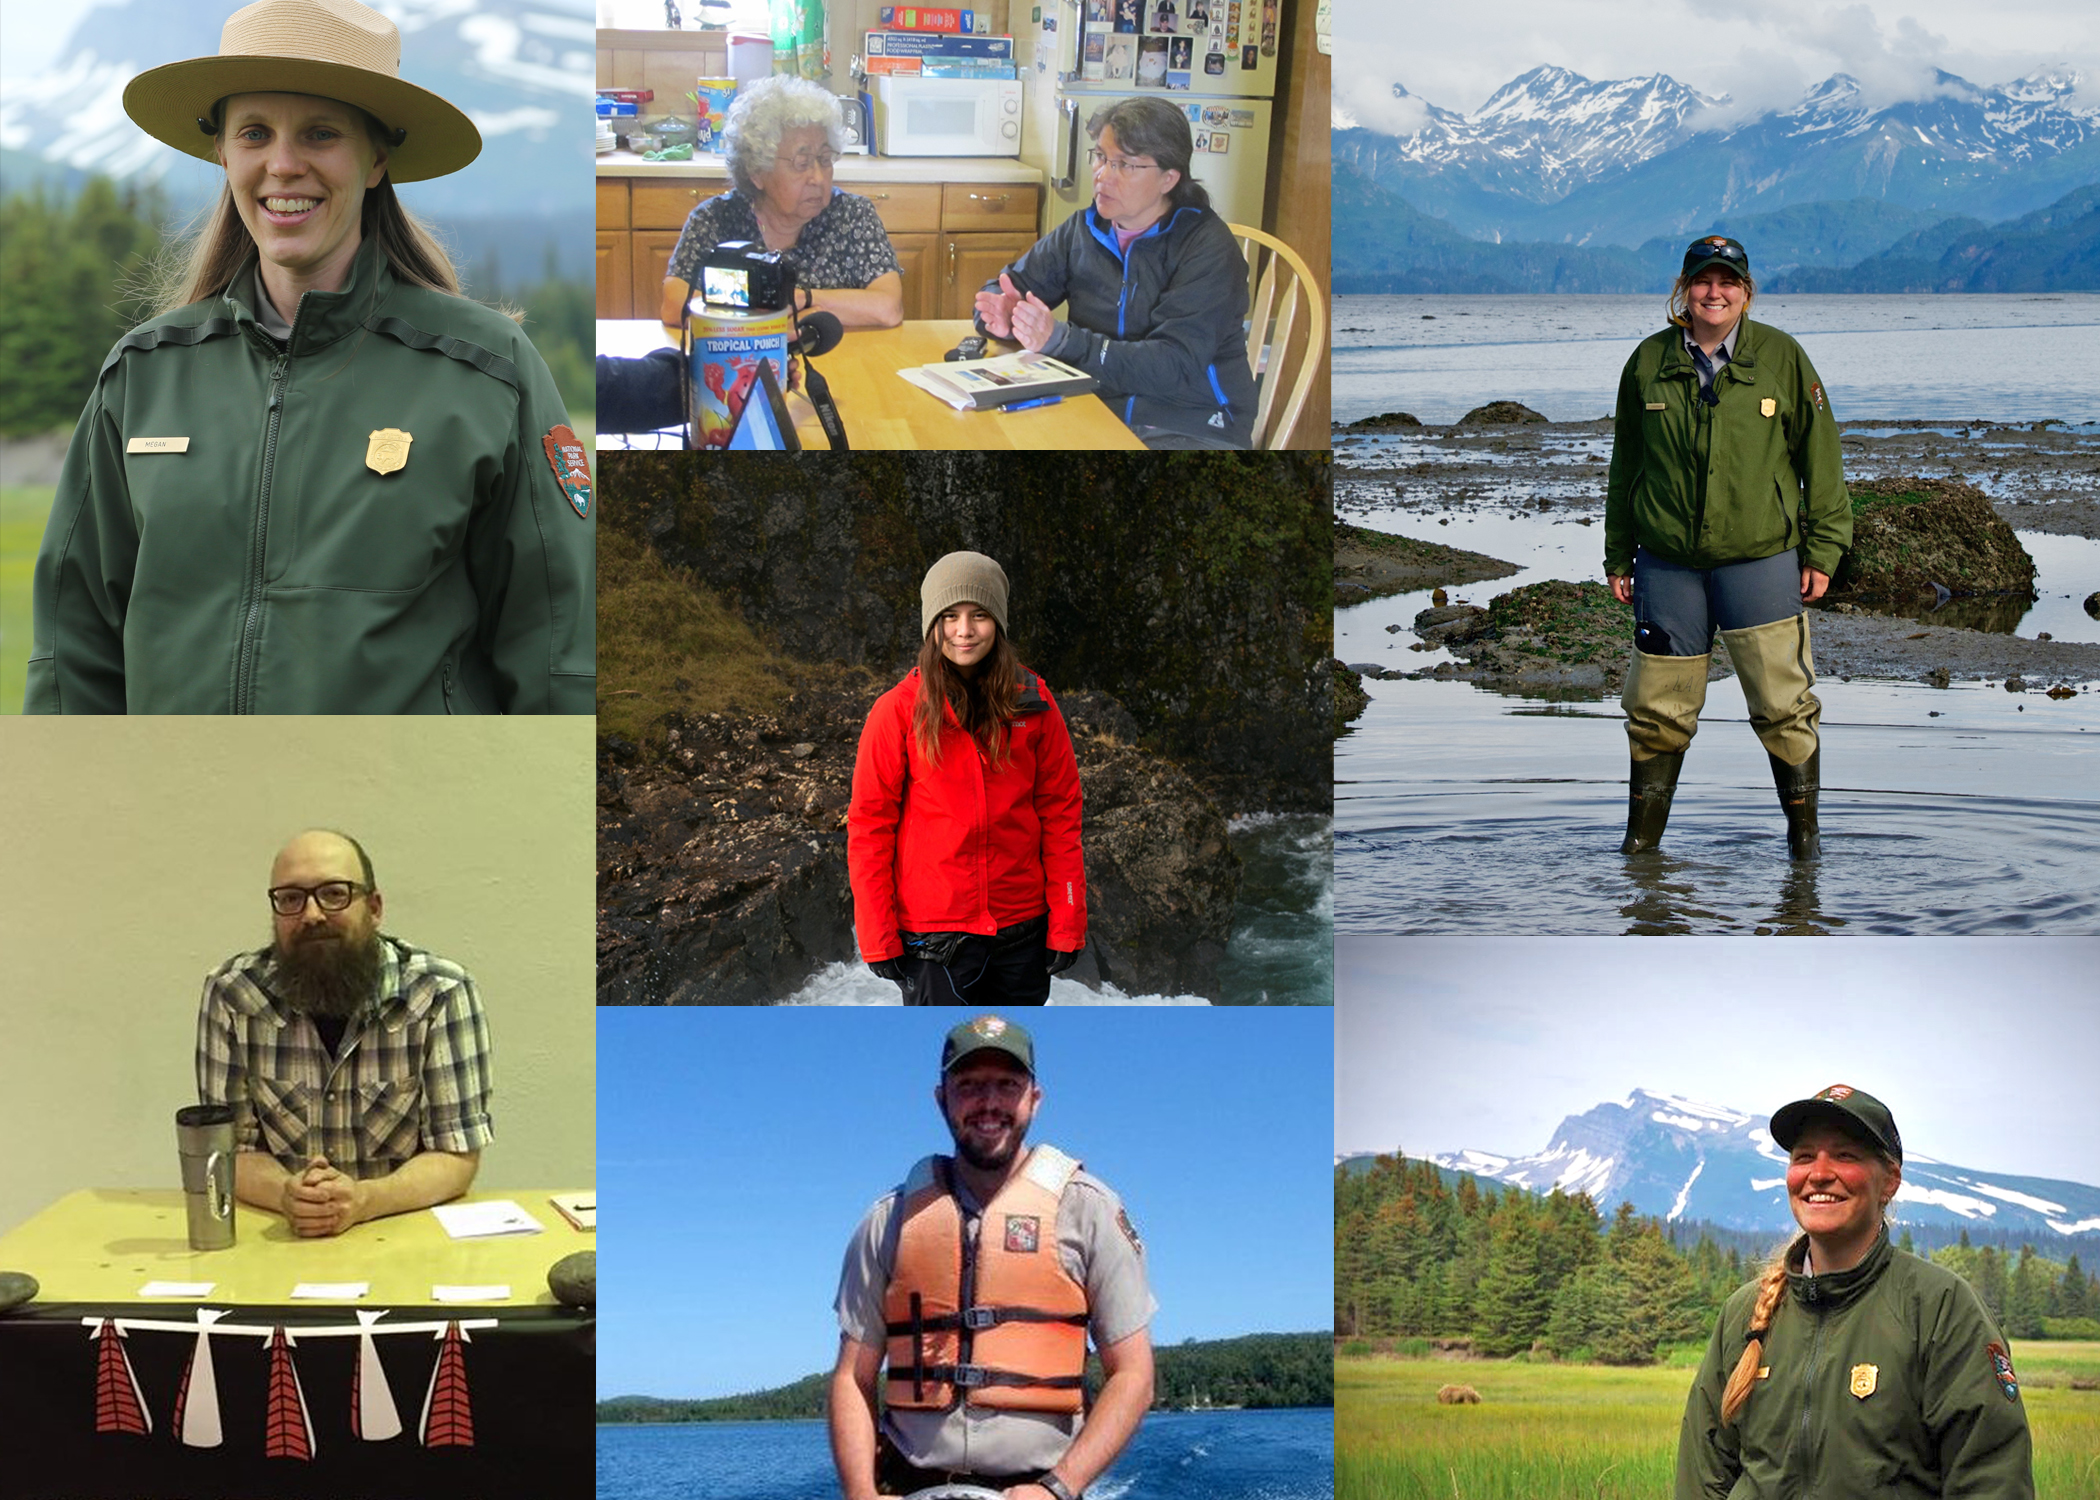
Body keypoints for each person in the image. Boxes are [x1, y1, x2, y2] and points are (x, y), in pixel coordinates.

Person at [26, 0, 594, 714]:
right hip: (181, 811)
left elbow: (558, 656)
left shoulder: (485, 372)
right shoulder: (142, 377)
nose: (283, 165)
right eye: (255, 133)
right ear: (223, 154)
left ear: (376, 158)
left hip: (403, 814)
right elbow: (70, 654)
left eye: (320, 134)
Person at [829, 1015, 1155, 1500]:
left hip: (1040, 1488)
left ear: (1034, 1099)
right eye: (969, 1085)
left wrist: (1057, 1489)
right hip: (907, 1486)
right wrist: (860, 1493)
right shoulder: (888, 1220)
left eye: (1007, 1084)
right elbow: (853, 1378)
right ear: (942, 1099)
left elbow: (1133, 1376)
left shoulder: (1089, 1210)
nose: (989, 1103)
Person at [1604, 236, 1850, 857]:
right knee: (1657, 713)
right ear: (1683, 289)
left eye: (1728, 282)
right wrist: (1617, 553)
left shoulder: (1783, 358)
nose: (1715, 293)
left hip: (1760, 560)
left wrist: (1824, 550)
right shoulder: (1647, 361)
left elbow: (1820, 459)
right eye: (1703, 281)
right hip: (1667, 566)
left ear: (1746, 291)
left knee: (1783, 706)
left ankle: (1805, 849)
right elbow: (1626, 464)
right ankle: (1641, 852)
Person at [1677, 1085, 2034, 1498]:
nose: (1819, 1172)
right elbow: (1702, 1477)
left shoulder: (1940, 1307)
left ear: (1890, 1181)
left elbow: (1991, 1479)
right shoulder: (1746, 1312)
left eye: (1845, 1155)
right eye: (1804, 1156)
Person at [195, 829, 492, 1238]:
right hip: (281, 1236)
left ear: (374, 907)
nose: (312, 914)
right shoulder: (232, 994)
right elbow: (228, 1151)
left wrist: (365, 1201)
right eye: (290, 899)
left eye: (334, 894)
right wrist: (287, 1193)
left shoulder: (439, 993)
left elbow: (456, 1154)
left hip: (403, 1235)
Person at [848, 552, 1087, 1004]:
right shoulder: (896, 711)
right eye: (950, 616)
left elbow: (1060, 815)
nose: (964, 630)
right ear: (931, 624)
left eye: (979, 615)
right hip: (935, 941)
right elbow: (869, 826)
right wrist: (877, 934)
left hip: (1023, 933)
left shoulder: (1034, 702)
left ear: (997, 621)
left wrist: (1068, 919)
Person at [973, 97, 1257, 450]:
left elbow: (1172, 365)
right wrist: (1002, 313)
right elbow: (1009, 286)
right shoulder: (1085, 228)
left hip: (1190, 424)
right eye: (1100, 157)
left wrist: (1063, 341)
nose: (1102, 175)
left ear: (1168, 178)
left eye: (1123, 165)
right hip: (1094, 408)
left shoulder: (1208, 248)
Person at [658, 75, 903, 330]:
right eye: (802, 163)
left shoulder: (853, 216)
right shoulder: (715, 220)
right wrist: (772, 317)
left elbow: (888, 308)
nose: (818, 178)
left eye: (825, 159)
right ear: (757, 171)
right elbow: (675, 305)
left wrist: (802, 299)